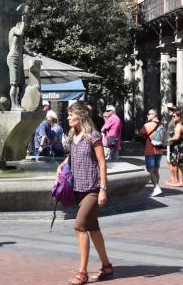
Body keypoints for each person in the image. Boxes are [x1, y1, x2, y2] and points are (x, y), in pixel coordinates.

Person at [56, 102, 112, 285]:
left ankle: (82, 273)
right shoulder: (74, 136)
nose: (68, 117)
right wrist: (63, 164)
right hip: (78, 189)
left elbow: (102, 163)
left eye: (71, 114)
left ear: (80, 116)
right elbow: (72, 156)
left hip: (93, 189)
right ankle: (106, 266)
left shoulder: (93, 136)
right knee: (93, 229)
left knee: (79, 227)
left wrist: (103, 189)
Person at [139, 108, 164, 197]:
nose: (147, 115)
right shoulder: (162, 125)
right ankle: (156, 187)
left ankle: (156, 188)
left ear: (154, 115)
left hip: (150, 150)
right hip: (159, 150)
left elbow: (140, 133)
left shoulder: (147, 125)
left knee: (150, 170)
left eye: (149, 114)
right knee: (156, 170)